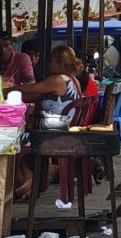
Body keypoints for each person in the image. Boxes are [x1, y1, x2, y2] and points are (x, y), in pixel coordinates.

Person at [7, 45, 84, 198]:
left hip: (53, 131)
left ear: (61, 63)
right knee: (22, 138)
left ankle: (25, 180)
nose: (48, 64)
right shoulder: (74, 80)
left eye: (51, 60)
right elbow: (35, 96)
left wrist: (5, 91)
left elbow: (30, 89)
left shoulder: (57, 79)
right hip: (63, 129)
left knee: (11, 140)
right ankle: (29, 178)